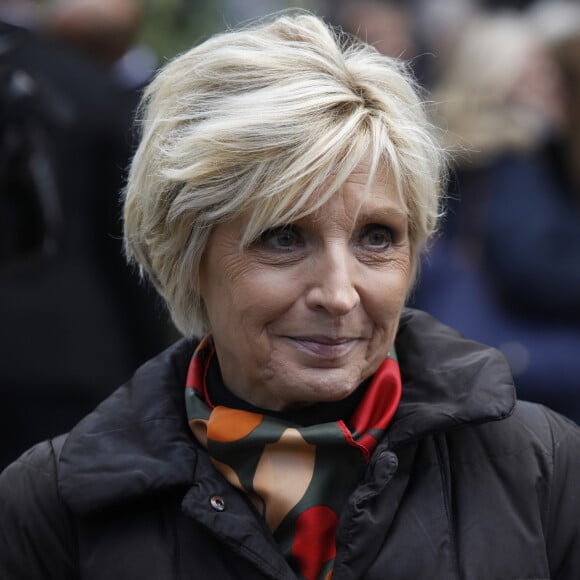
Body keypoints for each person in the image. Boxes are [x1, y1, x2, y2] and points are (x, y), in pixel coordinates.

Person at [1, 11, 579, 580]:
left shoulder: (544, 469)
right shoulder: (52, 506)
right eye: (283, 237)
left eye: (376, 238)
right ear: (186, 252)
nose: (338, 293)